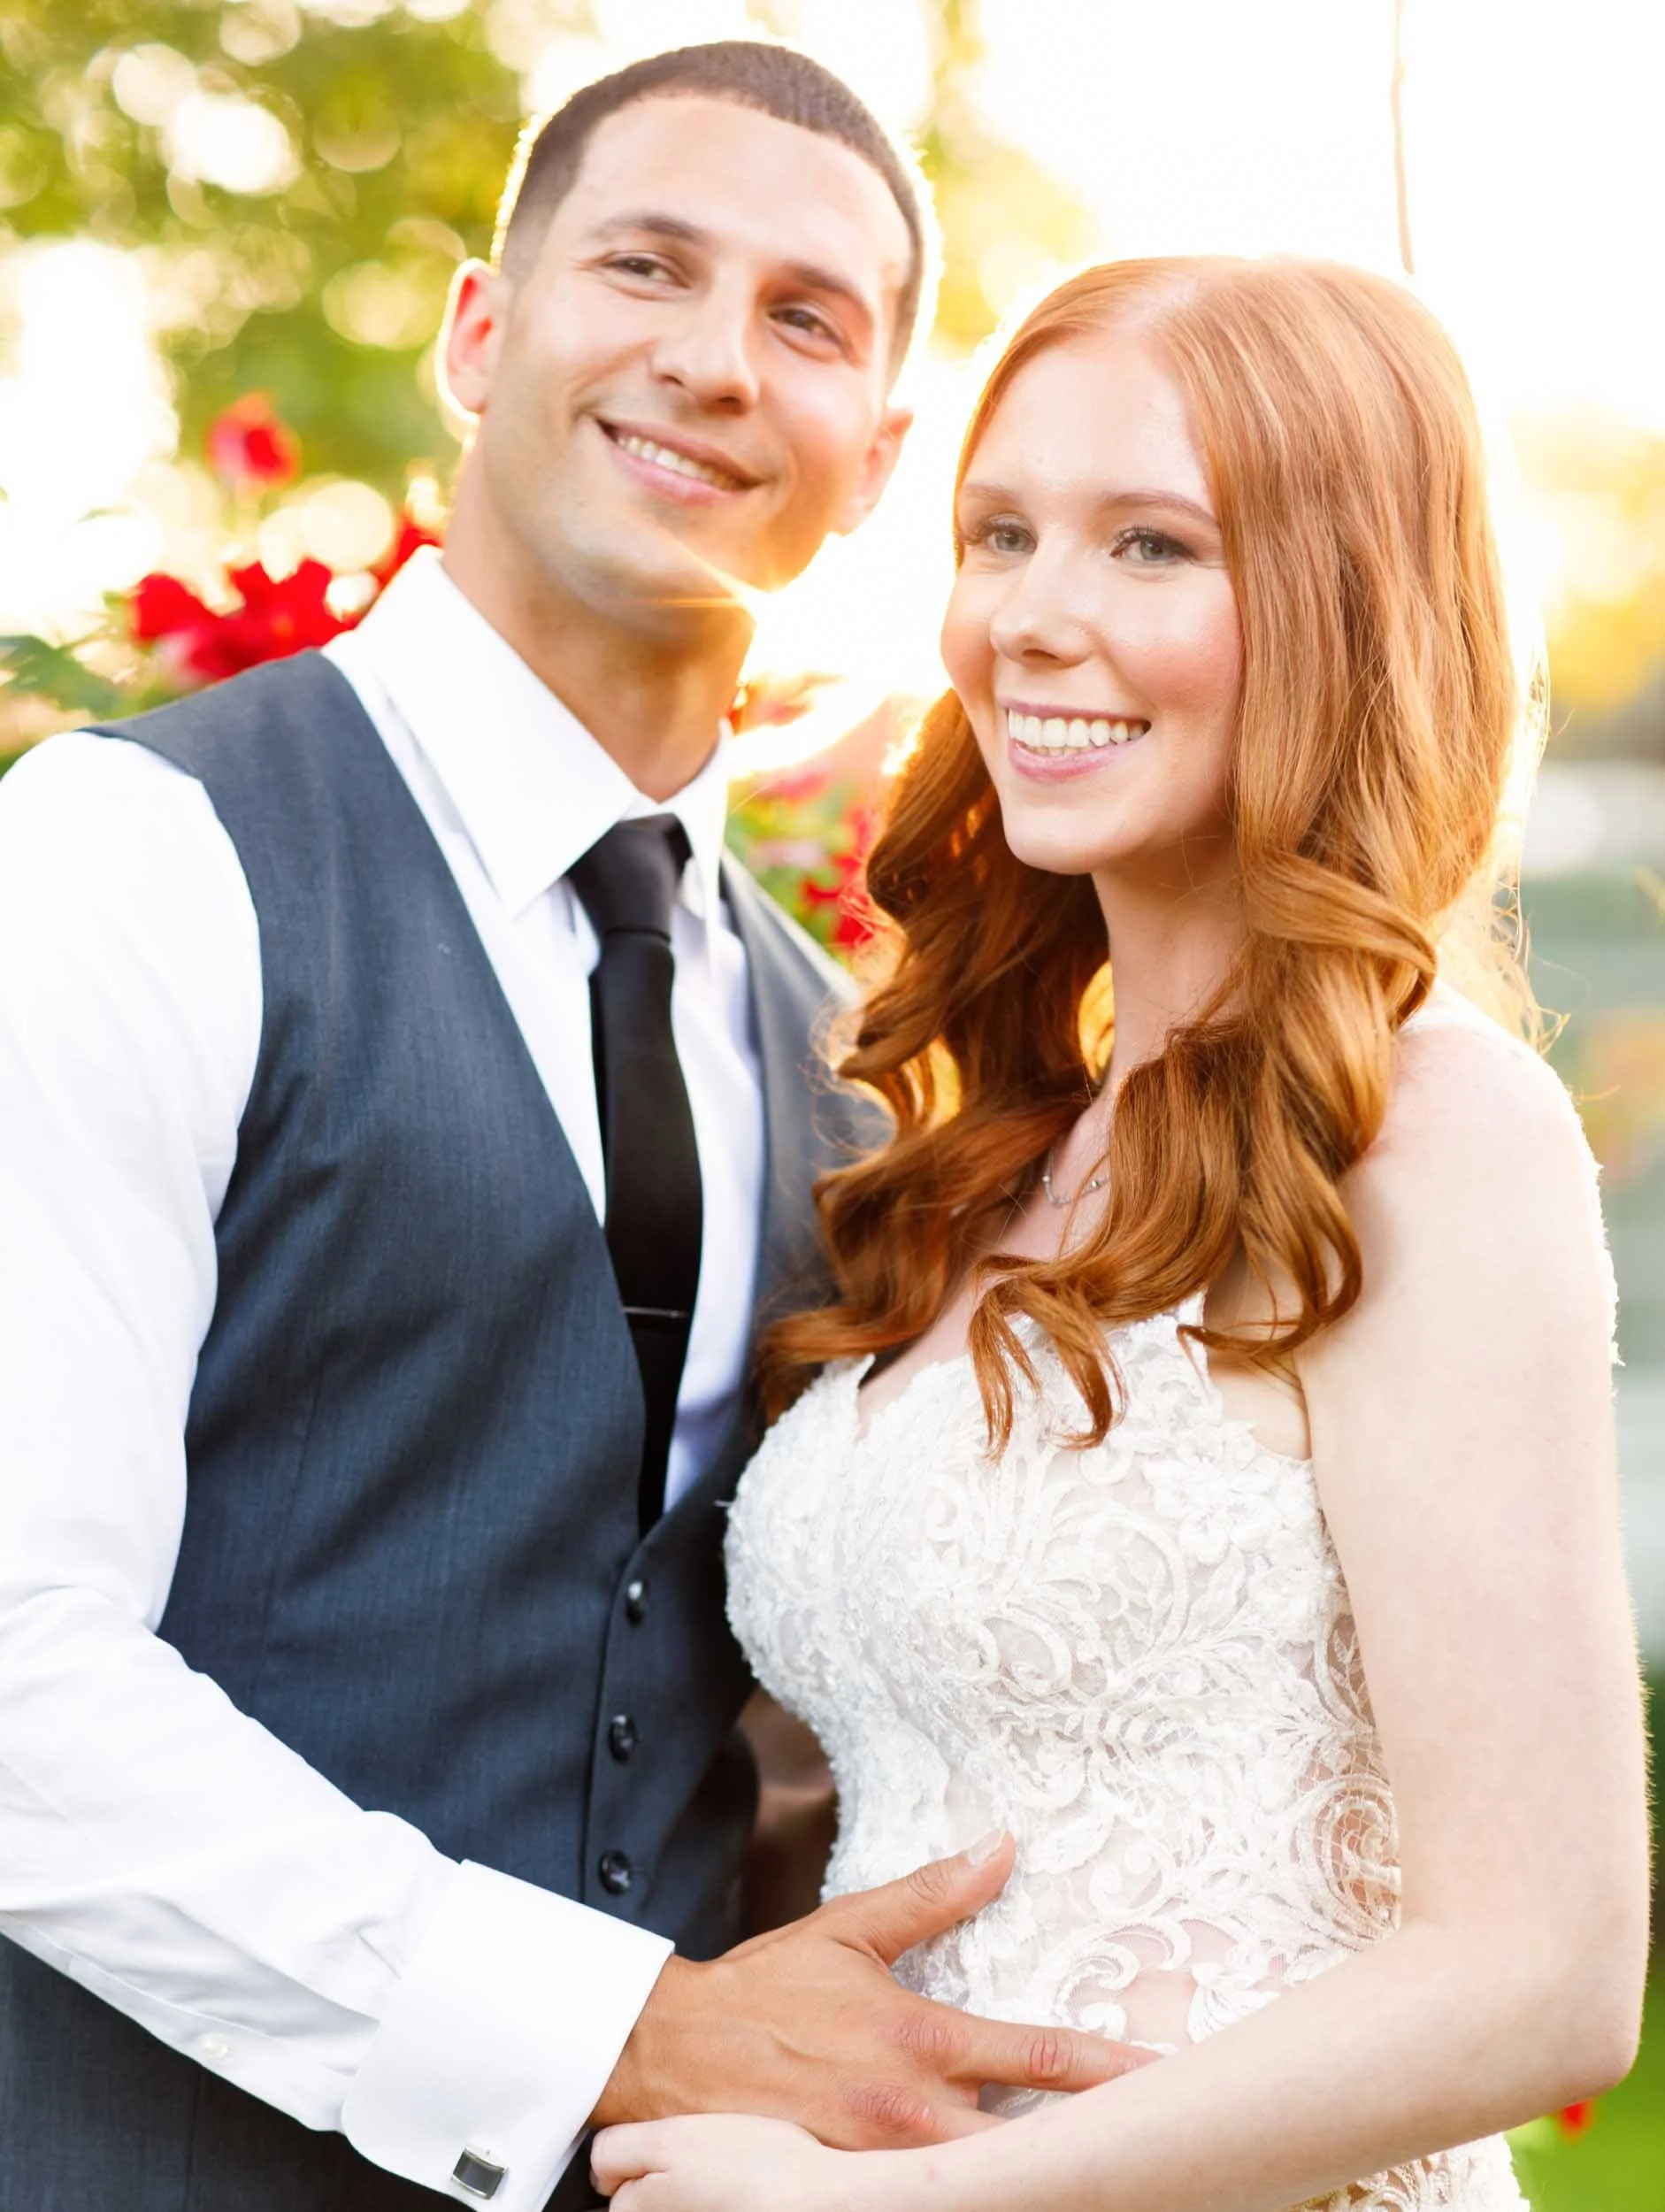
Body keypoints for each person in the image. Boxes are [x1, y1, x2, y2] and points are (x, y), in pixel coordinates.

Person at [0, 44, 1142, 2212]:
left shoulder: (831, 1055)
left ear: (876, 457)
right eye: (645, 265)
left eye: (804, 318)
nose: (713, 362)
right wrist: (620, 2024)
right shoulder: (131, 859)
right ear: (478, 332)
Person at [591, 256, 1653, 2212]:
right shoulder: (985, 1158)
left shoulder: (1422, 1131)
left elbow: (1546, 1971)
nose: (1031, 618)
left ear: (1342, 611)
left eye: (1151, 544)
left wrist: (907, 2201)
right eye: (999, 534)